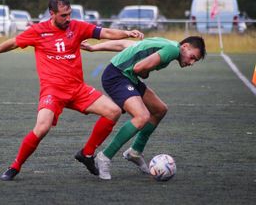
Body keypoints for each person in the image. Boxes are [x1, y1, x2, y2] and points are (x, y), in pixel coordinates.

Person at [0, 0, 144, 181]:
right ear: (52, 14)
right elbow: (13, 42)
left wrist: (127, 33)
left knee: (113, 111)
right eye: (63, 15)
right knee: (42, 128)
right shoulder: (38, 31)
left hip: (78, 89)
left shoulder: (77, 27)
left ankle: (86, 154)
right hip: (52, 91)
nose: (67, 18)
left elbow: (105, 32)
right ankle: (15, 166)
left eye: (69, 14)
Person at [80, 36, 206, 180]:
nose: (191, 62)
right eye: (192, 57)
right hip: (117, 76)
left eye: (195, 60)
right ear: (185, 46)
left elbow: (126, 44)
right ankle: (105, 156)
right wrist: (145, 73)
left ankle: (135, 152)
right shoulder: (172, 49)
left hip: (128, 77)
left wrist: (95, 47)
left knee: (160, 109)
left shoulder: (166, 43)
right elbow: (138, 68)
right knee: (142, 116)